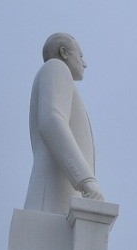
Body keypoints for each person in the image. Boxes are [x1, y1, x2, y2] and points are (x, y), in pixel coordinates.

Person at [25, 33, 105, 215]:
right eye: (81, 56)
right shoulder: (56, 68)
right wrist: (86, 181)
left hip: (63, 205)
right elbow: (52, 120)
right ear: (64, 52)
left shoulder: (62, 79)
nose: (84, 63)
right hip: (51, 205)